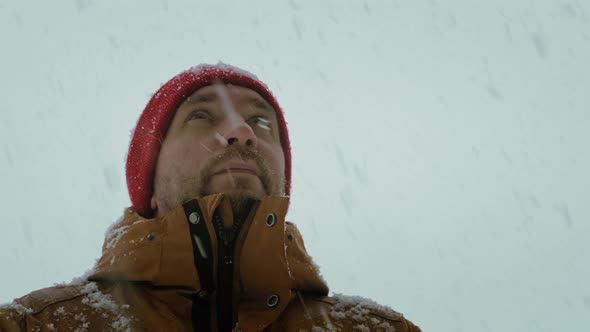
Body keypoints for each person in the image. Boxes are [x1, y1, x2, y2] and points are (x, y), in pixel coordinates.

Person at [0, 64, 421, 332]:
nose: (242, 131)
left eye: (260, 120)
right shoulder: (37, 325)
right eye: (201, 115)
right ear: (149, 170)